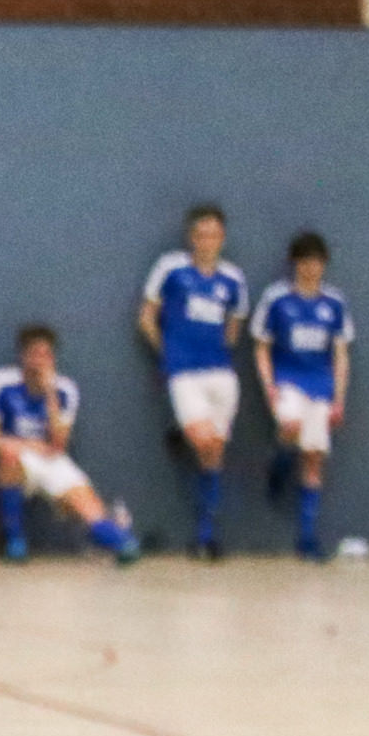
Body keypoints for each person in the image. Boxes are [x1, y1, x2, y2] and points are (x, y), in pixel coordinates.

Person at [139, 203, 251, 558]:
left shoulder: (233, 278)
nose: (207, 241)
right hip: (183, 371)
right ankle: (182, 432)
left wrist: (219, 349)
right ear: (191, 237)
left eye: (214, 235)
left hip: (219, 371)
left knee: (214, 450)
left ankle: (206, 533)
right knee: (201, 439)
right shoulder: (171, 268)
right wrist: (168, 352)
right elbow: (146, 317)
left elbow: (234, 325)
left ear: (222, 238)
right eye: (201, 235)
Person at [0, 325, 142, 565]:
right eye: (34, 354)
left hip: (50, 458)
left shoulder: (65, 388)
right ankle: (15, 541)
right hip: (16, 455)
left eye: (46, 355)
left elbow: (58, 444)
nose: (40, 361)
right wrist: (27, 445)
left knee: (87, 505)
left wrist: (50, 393)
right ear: (23, 356)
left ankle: (120, 541)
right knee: (8, 453)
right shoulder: (1, 381)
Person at [252, 232, 353, 560]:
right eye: (305, 261)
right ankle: (279, 467)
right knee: (290, 426)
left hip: (320, 386)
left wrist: (339, 399)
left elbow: (340, 354)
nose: (311, 268)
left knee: (313, 456)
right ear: (294, 263)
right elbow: (262, 346)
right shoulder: (277, 299)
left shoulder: (334, 303)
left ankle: (307, 538)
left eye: (317, 262)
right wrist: (269, 385)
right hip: (288, 381)